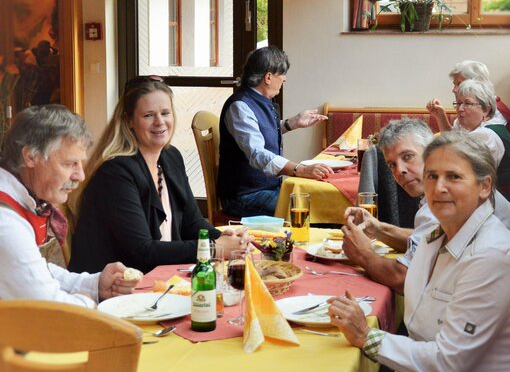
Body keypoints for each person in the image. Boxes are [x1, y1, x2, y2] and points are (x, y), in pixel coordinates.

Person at [329, 132, 510, 372]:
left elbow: (448, 363)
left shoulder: (490, 257)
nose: (438, 187)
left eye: (453, 177)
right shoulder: (433, 238)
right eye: (432, 176)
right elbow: (421, 332)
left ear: (485, 186)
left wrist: (367, 336)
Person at [70, 76, 244, 274]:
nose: (160, 122)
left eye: (165, 113)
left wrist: (228, 239)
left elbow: (192, 223)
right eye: (148, 115)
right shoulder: (116, 173)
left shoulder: (171, 157)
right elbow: (142, 251)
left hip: (159, 276)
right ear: (129, 121)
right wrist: (213, 248)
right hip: (118, 284)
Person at [341, 117, 510, 292]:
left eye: (408, 156)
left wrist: (363, 253)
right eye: (392, 165)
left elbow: (405, 279)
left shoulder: (445, 202)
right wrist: (378, 229)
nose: (399, 170)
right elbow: (427, 242)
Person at [0, 105, 140, 308]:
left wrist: (95, 285)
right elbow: (53, 310)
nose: (80, 176)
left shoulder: (19, 198)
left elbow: (36, 271)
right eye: (69, 164)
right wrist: (100, 304)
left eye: (80, 164)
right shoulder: (6, 222)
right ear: (30, 157)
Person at [217, 46, 331, 218]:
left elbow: (259, 132)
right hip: (244, 197)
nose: (284, 79)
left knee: (317, 201)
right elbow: (257, 153)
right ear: (268, 77)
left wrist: (292, 123)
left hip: (263, 189)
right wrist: (299, 169)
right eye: (282, 74)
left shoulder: (258, 100)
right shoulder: (240, 106)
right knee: (312, 210)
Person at [426, 59, 510, 130]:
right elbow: (454, 138)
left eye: (459, 84)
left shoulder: (494, 113)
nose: (454, 90)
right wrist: (441, 117)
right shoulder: (467, 106)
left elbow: (470, 143)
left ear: (477, 83)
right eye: (454, 84)